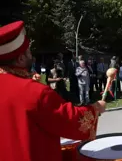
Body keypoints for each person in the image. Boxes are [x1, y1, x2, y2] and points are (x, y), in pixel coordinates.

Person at [0, 21, 106, 161]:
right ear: (20, 59)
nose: (32, 55)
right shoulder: (35, 92)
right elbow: (69, 119)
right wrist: (95, 108)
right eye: (28, 52)